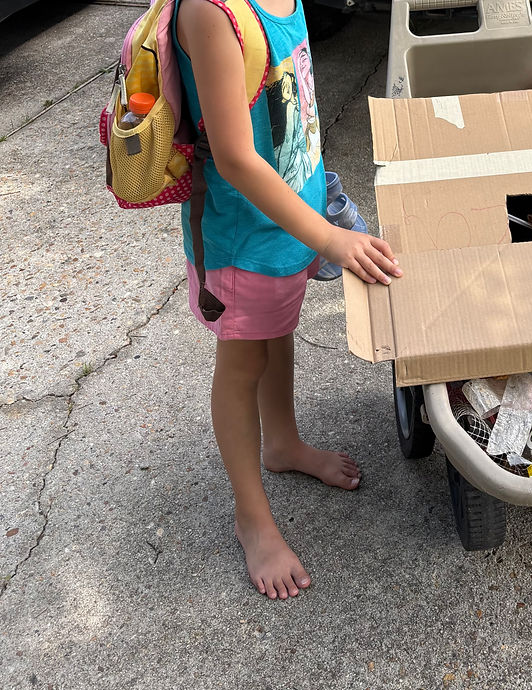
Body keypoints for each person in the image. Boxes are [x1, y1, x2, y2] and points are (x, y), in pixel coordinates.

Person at [174, 0, 401, 600]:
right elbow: (234, 156)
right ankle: (252, 518)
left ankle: (282, 442)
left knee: (278, 334)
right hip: (243, 240)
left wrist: (318, 211)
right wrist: (330, 236)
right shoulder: (210, 13)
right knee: (243, 361)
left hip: (290, 222)